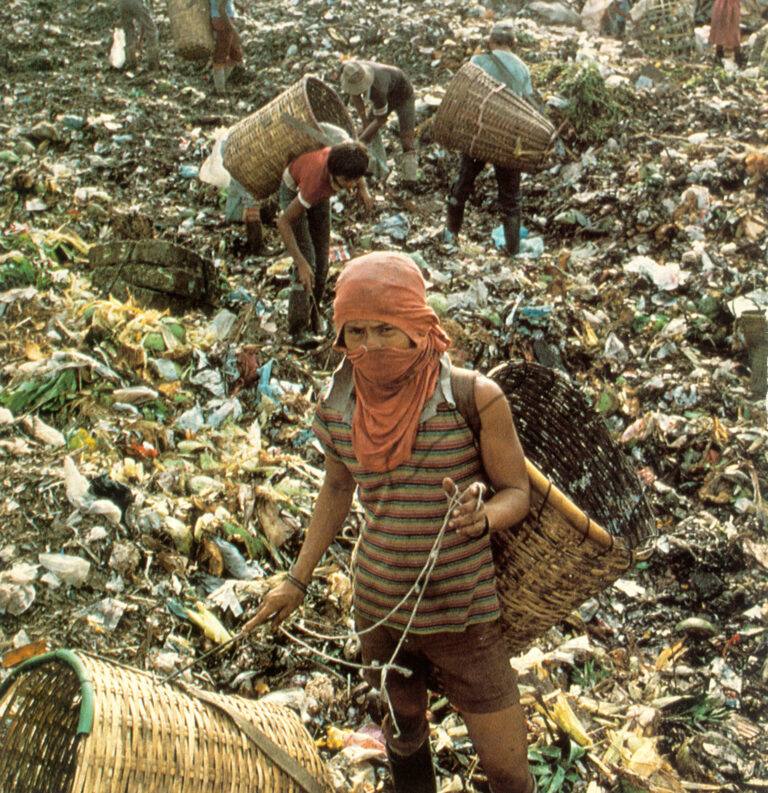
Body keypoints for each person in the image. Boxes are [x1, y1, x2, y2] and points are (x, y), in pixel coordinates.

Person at [250, 251, 534, 793]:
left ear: (419, 326)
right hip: (381, 612)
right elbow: (337, 488)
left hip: (464, 615)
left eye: (386, 329)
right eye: (354, 331)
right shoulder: (340, 403)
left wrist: (484, 516)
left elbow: (516, 492)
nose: (369, 347)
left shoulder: (473, 397)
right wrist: (297, 579)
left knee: (509, 772)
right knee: (405, 744)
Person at [442, 20, 539, 255]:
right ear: (515, 43)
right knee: (510, 194)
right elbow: (526, 104)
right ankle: (513, 250)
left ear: (491, 40)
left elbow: (463, 94)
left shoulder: (479, 61)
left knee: (463, 183)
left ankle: (450, 238)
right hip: (508, 139)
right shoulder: (522, 68)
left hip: (478, 135)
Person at [277, 141, 372, 343]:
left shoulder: (344, 156)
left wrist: (363, 188)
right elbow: (283, 222)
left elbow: (357, 170)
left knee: (322, 263)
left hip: (321, 194)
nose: (352, 185)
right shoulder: (314, 184)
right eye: (350, 181)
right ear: (337, 175)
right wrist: (300, 263)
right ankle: (298, 329)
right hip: (294, 190)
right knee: (308, 262)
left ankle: (315, 313)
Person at [341, 61, 418, 182]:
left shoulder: (378, 89)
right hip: (387, 90)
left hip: (404, 95)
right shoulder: (352, 72)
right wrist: (365, 121)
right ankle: (367, 170)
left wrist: (361, 141)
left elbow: (380, 120)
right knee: (364, 131)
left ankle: (410, 180)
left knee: (407, 141)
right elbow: (355, 96)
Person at [210, 0, 243, 95]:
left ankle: (220, 84)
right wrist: (234, 32)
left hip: (224, 20)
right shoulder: (223, 18)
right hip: (223, 22)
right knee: (220, 57)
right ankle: (220, 92)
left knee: (236, 55)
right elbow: (221, 9)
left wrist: (237, 5)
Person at [118, 0, 159, 70]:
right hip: (136, 3)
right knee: (151, 30)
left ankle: (131, 62)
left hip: (122, 3)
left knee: (128, 32)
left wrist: (140, 40)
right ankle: (153, 62)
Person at [709, 0, 744, 67]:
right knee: (720, 24)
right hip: (722, 3)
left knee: (733, 26)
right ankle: (719, 53)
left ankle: (737, 56)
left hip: (732, 3)